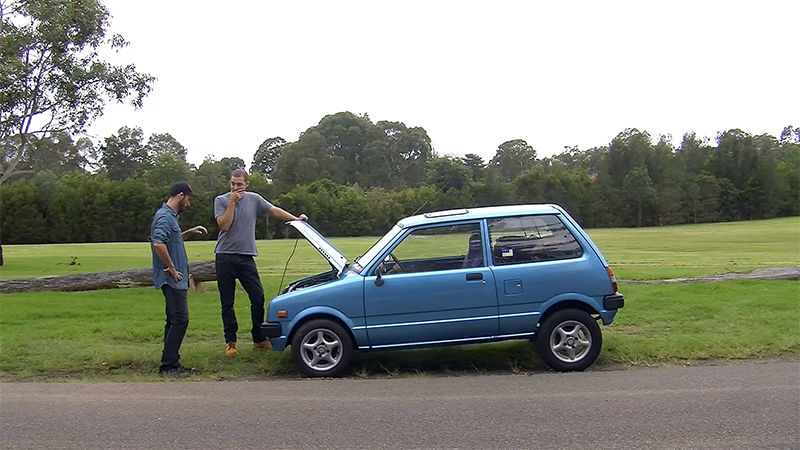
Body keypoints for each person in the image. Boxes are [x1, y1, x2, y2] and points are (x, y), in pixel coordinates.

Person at [214, 169, 308, 357]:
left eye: (239, 184)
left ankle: (259, 339)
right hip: (225, 256)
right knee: (227, 301)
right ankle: (230, 343)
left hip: (246, 256)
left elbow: (273, 210)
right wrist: (232, 202)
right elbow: (224, 225)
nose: (235, 187)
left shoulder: (254, 199)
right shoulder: (221, 200)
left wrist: (295, 219)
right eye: (232, 183)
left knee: (258, 296)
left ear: (247, 184)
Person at [150, 182, 208, 377]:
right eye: (189, 199)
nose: (189, 204)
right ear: (180, 195)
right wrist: (172, 269)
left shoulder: (170, 217)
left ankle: (171, 362)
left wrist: (188, 233)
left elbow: (169, 241)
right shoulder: (164, 216)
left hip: (176, 279)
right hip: (172, 279)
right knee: (181, 321)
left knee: (173, 321)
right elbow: (158, 243)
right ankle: (168, 367)